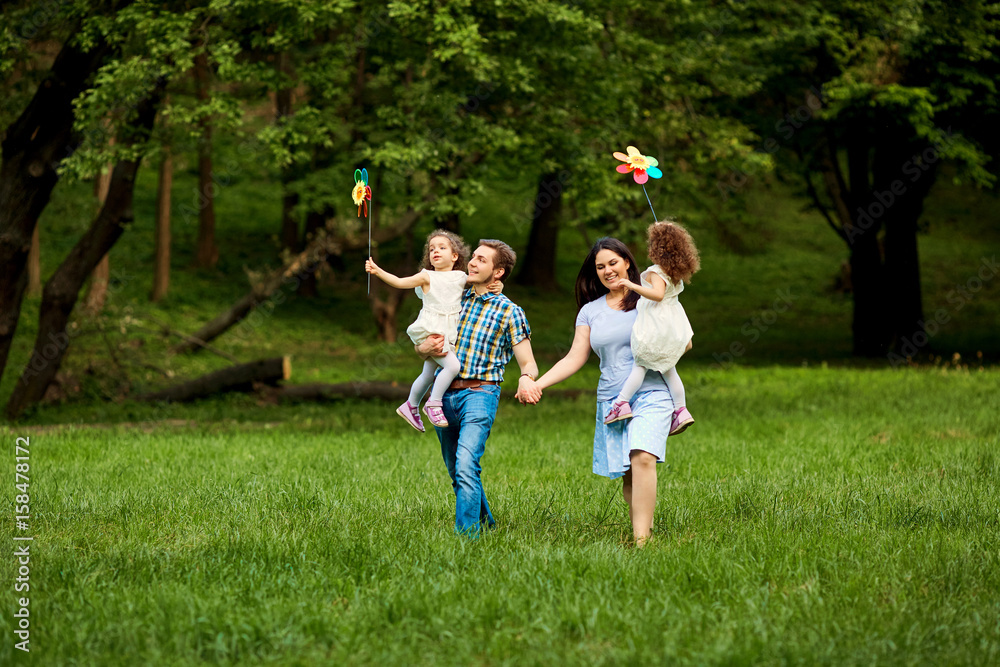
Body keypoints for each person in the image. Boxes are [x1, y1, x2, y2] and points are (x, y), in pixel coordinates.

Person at [523, 237, 673, 547]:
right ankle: (640, 530)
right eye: (600, 266)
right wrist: (539, 383)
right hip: (612, 398)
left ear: (627, 262)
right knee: (629, 471)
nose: (607, 271)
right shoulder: (590, 312)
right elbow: (575, 357)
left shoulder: (650, 299)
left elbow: (680, 337)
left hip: (652, 390)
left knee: (642, 456)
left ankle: (642, 542)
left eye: (613, 263)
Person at [417, 239, 541, 538]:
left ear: (497, 272)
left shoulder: (509, 312)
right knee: (456, 471)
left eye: (481, 260)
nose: (472, 262)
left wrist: (526, 378)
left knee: (465, 464)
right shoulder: (454, 298)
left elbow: (529, 363)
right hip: (443, 395)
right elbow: (426, 346)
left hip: (480, 394)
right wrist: (423, 348)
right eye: (473, 257)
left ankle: (467, 538)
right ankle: (486, 524)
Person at [365, 230, 499, 432]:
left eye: (442, 248)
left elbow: (482, 281)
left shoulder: (460, 277)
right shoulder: (426, 276)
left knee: (428, 373)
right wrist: (378, 271)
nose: (435, 251)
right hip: (433, 328)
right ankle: (433, 403)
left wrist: (497, 284)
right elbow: (401, 282)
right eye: (431, 249)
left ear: (455, 256)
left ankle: (410, 405)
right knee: (452, 366)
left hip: (448, 330)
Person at [604, 221, 700, 435]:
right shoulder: (674, 272)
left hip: (657, 326)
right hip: (673, 325)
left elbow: (656, 295)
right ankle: (681, 410)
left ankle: (621, 404)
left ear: (658, 248)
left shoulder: (657, 271)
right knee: (669, 368)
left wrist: (630, 285)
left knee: (640, 364)